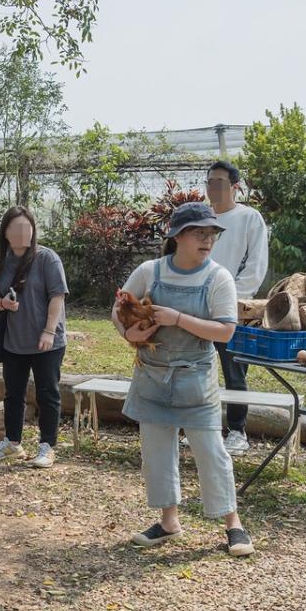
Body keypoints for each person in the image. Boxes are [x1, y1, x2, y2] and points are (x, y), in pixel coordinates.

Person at [112, 202, 253, 557]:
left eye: (212, 234)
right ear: (177, 236)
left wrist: (177, 318)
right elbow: (117, 312)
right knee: (157, 451)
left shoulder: (218, 277)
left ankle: (233, 524)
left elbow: (225, 332)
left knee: (211, 452)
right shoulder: (150, 270)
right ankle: (168, 520)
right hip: (151, 375)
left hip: (195, 378)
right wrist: (133, 334)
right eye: (199, 233)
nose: (207, 240)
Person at [0, 207, 68, 469]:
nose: (22, 233)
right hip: (14, 340)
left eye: (27, 227)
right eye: (16, 228)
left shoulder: (47, 258)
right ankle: (12, 442)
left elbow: (57, 296)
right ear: (5, 233)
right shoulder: (2, 263)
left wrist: (49, 331)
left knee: (47, 393)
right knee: (13, 393)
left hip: (47, 341)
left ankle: (47, 445)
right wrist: (3, 304)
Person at [198, 160, 269, 456]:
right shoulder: (201, 218)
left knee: (234, 370)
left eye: (219, 182)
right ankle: (204, 426)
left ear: (235, 186)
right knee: (198, 368)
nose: (213, 187)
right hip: (197, 307)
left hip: (233, 309)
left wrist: (231, 299)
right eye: (209, 181)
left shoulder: (249, 218)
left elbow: (256, 266)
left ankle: (237, 431)